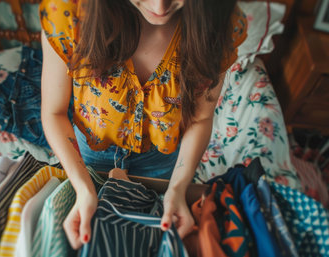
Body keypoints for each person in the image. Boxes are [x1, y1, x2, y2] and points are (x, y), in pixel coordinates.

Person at [39, 0, 247, 250]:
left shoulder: (220, 22)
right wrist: (83, 189)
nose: (160, 7)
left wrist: (178, 187)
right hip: (88, 157)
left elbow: (201, 118)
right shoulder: (66, 12)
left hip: (163, 161)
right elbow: (54, 112)